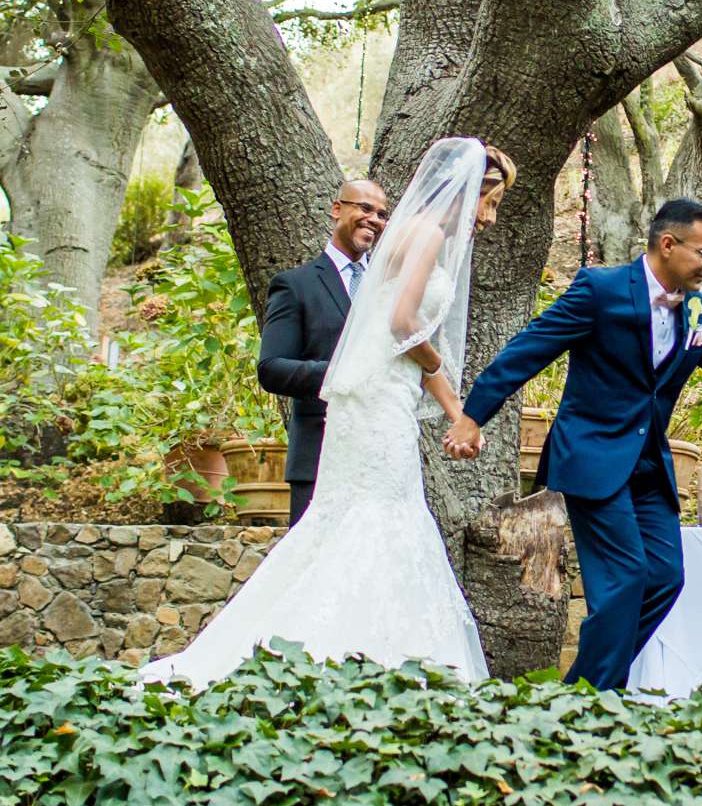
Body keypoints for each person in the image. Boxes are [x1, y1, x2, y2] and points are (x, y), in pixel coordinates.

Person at [144, 141, 510, 686]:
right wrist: (419, 364)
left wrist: (460, 413)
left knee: (370, 522)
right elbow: (406, 325)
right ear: (472, 190)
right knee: (381, 519)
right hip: (372, 409)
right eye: (492, 201)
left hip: (385, 404)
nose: (490, 215)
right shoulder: (427, 236)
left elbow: (408, 340)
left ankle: (366, 657)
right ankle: (344, 663)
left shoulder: (399, 248)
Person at [459, 198, 702, 691]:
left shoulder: (695, 309)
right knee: (625, 580)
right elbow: (529, 350)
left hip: (650, 465)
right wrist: (471, 416)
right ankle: (594, 701)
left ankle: (582, 689)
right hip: (593, 457)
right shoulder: (600, 290)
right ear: (668, 244)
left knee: (664, 577)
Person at [256, 177, 391, 524]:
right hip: (319, 457)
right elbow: (271, 368)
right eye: (364, 208)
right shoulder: (295, 284)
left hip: (381, 459)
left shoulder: (391, 288)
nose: (374, 219)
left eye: (381, 214)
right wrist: (340, 374)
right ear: (336, 209)